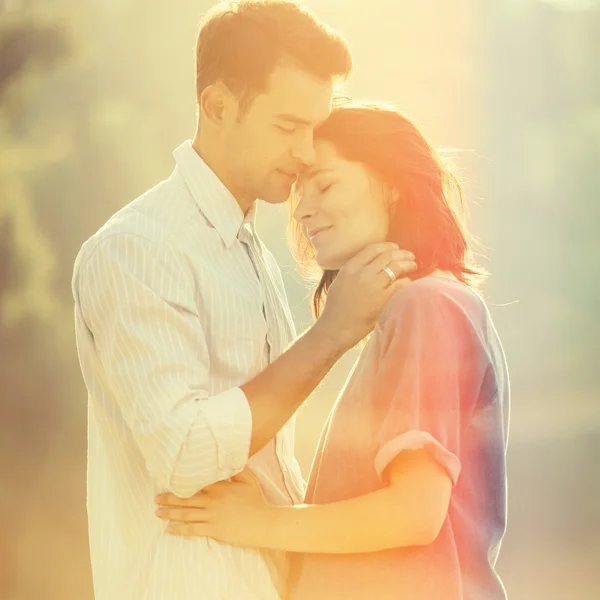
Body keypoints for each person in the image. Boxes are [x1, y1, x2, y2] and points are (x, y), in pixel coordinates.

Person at [71, 3, 417, 599]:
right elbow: (183, 454)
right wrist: (332, 333)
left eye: (315, 127)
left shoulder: (245, 247)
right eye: (288, 127)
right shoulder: (139, 249)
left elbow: (263, 463)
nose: (308, 151)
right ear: (217, 107)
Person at [155, 98, 511, 600]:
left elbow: (413, 515)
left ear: (391, 185)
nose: (301, 210)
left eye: (325, 184)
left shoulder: (427, 305)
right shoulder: (420, 309)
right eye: (300, 191)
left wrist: (257, 523)